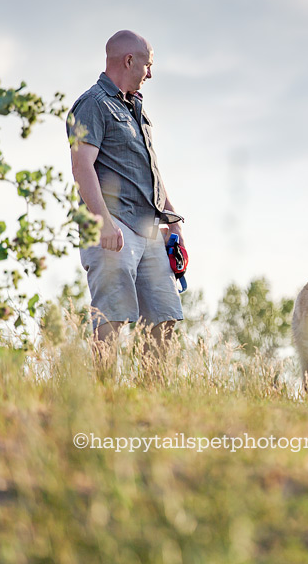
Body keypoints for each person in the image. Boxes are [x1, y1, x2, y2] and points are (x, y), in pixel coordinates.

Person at [68, 30, 184, 368]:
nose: (150, 73)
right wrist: (102, 221)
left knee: (165, 316)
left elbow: (149, 172)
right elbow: (81, 166)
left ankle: (152, 398)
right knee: (113, 314)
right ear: (129, 60)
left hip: (147, 230)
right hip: (112, 224)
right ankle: (106, 394)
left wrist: (172, 220)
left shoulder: (137, 110)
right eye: (148, 64)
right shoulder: (92, 104)